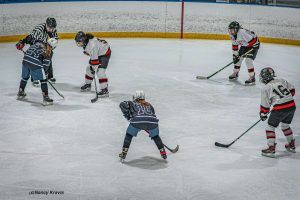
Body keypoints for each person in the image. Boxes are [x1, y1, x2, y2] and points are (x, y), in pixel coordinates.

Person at [119, 91, 167, 161]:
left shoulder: (131, 103)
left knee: (129, 135)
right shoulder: (149, 105)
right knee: (156, 137)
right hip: (153, 122)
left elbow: (122, 104)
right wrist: (147, 125)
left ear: (135, 97)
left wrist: (128, 116)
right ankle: (163, 153)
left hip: (137, 121)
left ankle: (124, 153)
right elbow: (152, 114)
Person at [259, 67, 296, 157]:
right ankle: (291, 145)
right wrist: (284, 99)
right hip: (291, 105)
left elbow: (265, 104)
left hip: (280, 108)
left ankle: (271, 148)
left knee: (270, 127)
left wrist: (263, 114)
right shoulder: (281, 80)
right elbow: (292, 90)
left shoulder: (265, 88)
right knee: (285, 125)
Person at [16, 17, 58, 86]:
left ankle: (49, 76)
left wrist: (50, 48)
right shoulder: (39, 29)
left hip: (45, 44)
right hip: (36, 44)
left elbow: (54, 41)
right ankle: (34, 78)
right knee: (35, 59)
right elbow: (30, 37)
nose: (51, 29)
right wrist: (22, 42)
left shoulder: (53, 30)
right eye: (49, 27)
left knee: (49, 56)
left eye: (52, 28)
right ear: (46, 25)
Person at [17, 38, 57, 106]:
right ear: (54, 47)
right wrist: (45, 74)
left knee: (25, 77)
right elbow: (45, 65)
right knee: (43, 80)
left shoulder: (38, 43)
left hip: (25, 59)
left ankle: (21, 91)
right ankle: (46, 97)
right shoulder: (49, 51)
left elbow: (28, 51)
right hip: (34, 62)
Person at [74, 31, 111, 97]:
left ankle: (105, 90)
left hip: (104, 54)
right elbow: (93, 56)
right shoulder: (87, 42)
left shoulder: (91, 45)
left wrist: (93, 68)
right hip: (98, 52)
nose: (78, 44)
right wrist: (92, 67)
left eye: (79, 42)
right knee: (89, 69)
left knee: (100, 71)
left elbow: (95, 61)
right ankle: (88, 84)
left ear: (83, 40)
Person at [228, 21, 260, 85]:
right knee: (238, 59)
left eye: (232, 30)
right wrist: (235, 55)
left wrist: (255, 45)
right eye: (230, 30)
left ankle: (252, 77)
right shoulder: (232, 35)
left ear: (236, 29)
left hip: (253, 45)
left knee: (248, 60)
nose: (231, 31)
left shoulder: (242, 32)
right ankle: (235, 73)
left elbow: (254, 40)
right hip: (245, 45)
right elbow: (235, 45)